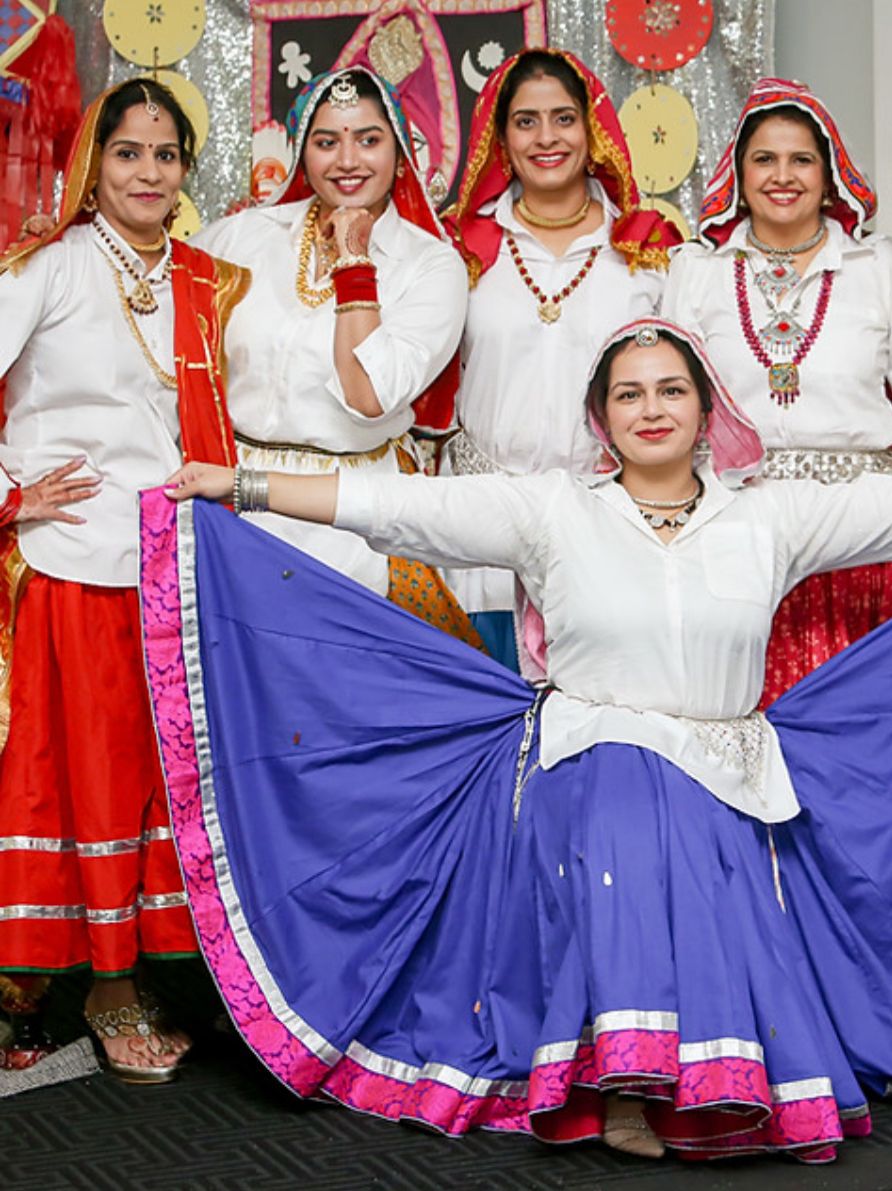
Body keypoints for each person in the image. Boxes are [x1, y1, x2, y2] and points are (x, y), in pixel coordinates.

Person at [155, 319, 892, 1162]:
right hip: (589, 762)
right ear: (601, 417)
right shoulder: (555, 511)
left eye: (671, 390)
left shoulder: (768, 520)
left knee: (687, 806)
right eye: (629, 393)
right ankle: (621, 1082)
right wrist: (242, 486)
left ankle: (685, 1073)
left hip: (726, 774)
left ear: (705, 406)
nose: (651, 409)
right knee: (629, 790)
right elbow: (401, 506)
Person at [0, 78, 248, 1082]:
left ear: (187, 170)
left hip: (174, 563)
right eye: (128, 153)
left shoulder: (205, 279)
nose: (149, 172)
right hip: (74, 567)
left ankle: (148, 966)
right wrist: (14, 493)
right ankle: (103, 985)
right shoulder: (47, 268)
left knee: (162, 772)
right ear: (91, 168)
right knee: (93, 773)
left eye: (166, 155)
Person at [190, 67, 478, 644]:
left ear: (399, 151)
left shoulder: (431, 265)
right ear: (303, 152)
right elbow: (155, 307)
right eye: (327, 142)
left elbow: (368, 396)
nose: (348, 159)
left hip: (354, 516)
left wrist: (354, 262)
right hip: (230, 508)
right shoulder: (242, 236)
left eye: (368, 140)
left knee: (338, 697)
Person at [440, 48, 681, 665]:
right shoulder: (460, 249)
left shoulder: (645, 250)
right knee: (481, 714)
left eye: (563, 118)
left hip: (605, 521)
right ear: (501, 138)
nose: (546, 138)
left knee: (598, 712)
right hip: (478, 521)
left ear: (592, 129)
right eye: (526, 121)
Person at [661, 76, 892, 704]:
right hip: (737, 536)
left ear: (829, 174)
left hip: (861, 540)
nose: (782, 175)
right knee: (743, 727)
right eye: (764, 159)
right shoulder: (697, 274)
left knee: (859, 735)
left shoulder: (878, 272)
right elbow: (668, 409)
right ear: (738, 173)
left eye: (801, 160)